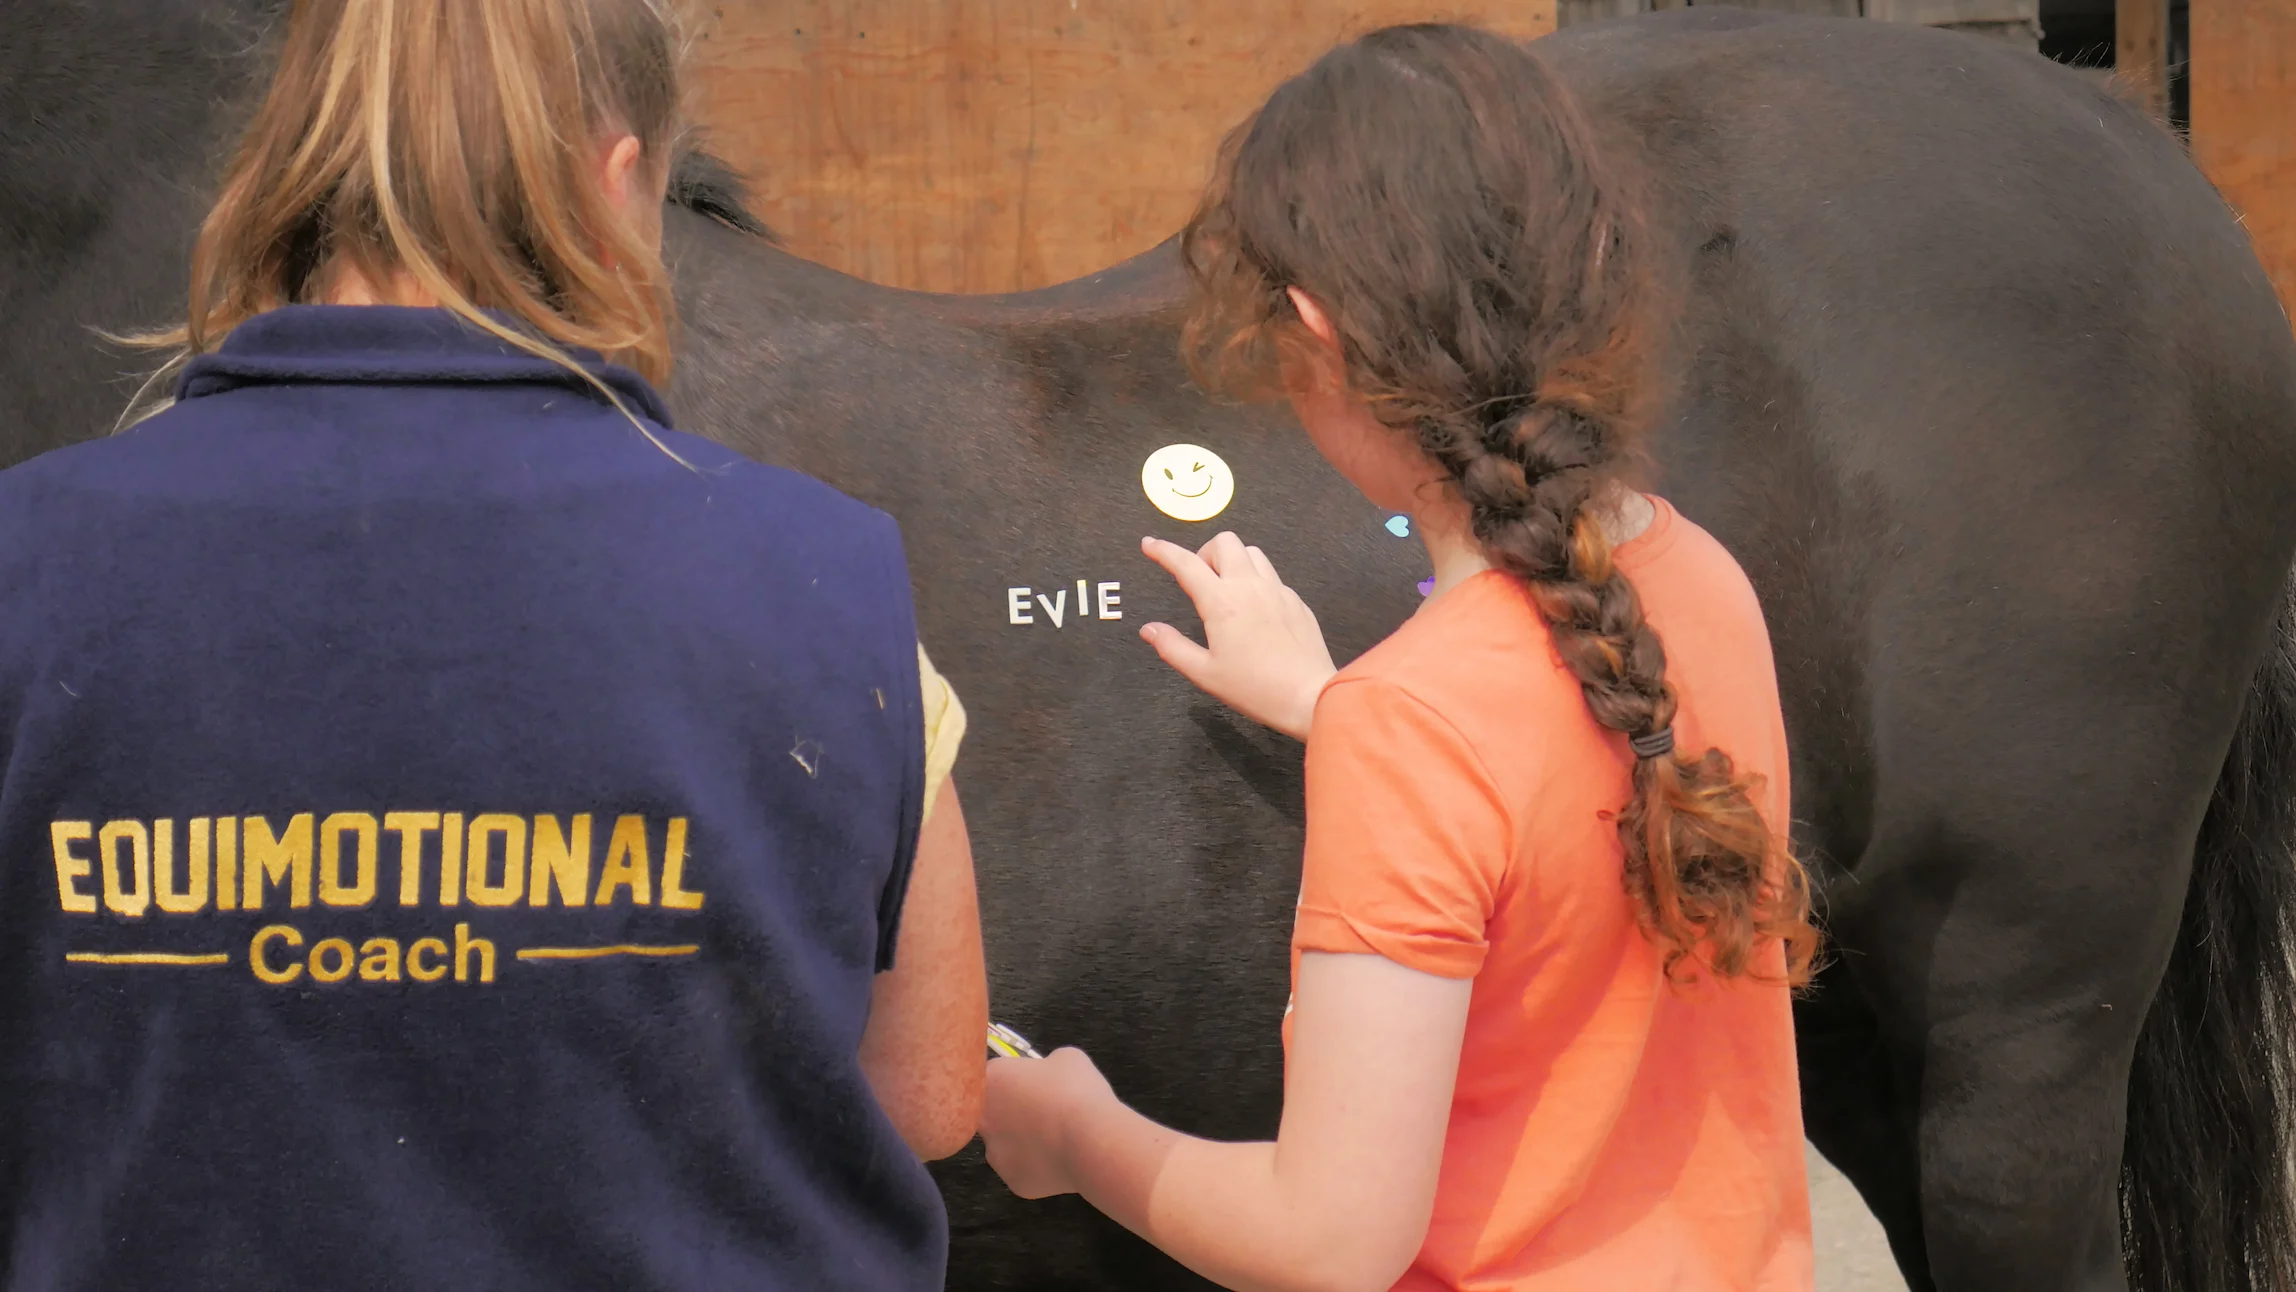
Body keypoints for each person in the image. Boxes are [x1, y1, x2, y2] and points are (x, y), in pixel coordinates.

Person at [0, 1, 984, 1288]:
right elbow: (927, 1094)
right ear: (617, 183)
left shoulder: (29, 553)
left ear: (294, 169)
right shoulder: (830, 570)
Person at [978, 23, 1820, 1291]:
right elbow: (1562, 798)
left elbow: (1327, 1239)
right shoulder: (1703, 577)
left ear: (1313, 331)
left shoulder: (1418, 721)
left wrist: (1076, 1134)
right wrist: (1338, 709)